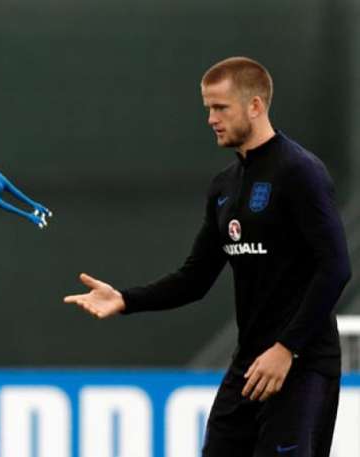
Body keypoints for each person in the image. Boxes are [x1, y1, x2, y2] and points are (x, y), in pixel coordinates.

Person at [64, 57, 351, 457]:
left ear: (255, 106)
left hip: (300, 367)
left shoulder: (300, 171)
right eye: (207, 108)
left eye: (220, 107)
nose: (211, 119)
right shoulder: (224, 187)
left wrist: (288, 347)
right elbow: (195, 279)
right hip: (247, 368)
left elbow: (336, 267)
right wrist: (126, 299)